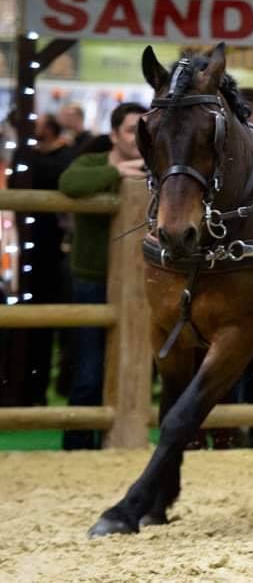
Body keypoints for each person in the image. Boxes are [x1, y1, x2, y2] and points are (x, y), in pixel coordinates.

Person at [57, 103, 146, 449]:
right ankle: (77, 448)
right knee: (88, 371)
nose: (137, 137)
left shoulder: (160, 167)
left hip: (143, 283)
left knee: (133, 370)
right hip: (93, 278)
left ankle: (119, 442)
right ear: (113, 135)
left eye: (142, 130)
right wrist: (119, 172)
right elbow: (70, 182)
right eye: (129, 130)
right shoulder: (91, 163)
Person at [5, 115, 74, 406]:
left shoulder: (59, 158)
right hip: (28, 250)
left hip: (47, 254)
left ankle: (35, 390)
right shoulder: (39, 157)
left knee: (44, 329)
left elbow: (44, 176)